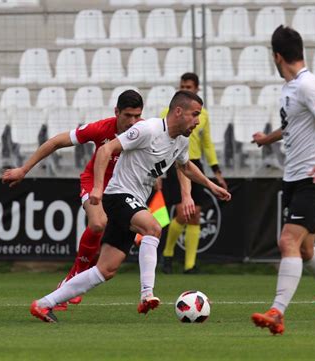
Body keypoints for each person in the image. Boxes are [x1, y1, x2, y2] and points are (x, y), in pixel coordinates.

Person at [29, 90, 232, 323]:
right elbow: (106, 150)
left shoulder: (181, 141)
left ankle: (44, 304)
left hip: (133, 200)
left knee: (106, 270)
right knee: (154, 228)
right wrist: (97, 188)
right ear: (178, 112)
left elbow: (185, 167)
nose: (198, 121)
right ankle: (147, 294)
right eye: (195, 114)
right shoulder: (148, 129)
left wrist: (209, 185)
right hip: (118, 195)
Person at [2, 90, 144, 310]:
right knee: (98, 224)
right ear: (116, 112)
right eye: (128, 115)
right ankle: (74, 276)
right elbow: (56, 142)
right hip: (94, 183)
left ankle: (77, 281)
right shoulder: (101, 128)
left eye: (137, 116)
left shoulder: (144, 130)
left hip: (124, 190)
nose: (133, 122)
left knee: (113, 257)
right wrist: (24, 169)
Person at [250, 25, 315, 335]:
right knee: (305, 250)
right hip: (292, 178)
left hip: (312, 177)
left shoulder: (309, 85)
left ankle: (277, 312)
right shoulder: (291, 88)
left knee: (287, 241)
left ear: (277, 56)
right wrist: (268, 139)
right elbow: (293, 125)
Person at [161, 72, 228, 274]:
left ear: (197, 89)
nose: (185, 89)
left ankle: (189, 265)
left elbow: (207, 144)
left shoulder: (202, 115)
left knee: (196, 215)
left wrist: (216, 171)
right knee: (183, 212)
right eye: (183, 86)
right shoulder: (169, 112)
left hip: (195, 164)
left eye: (189, 87)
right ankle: (168, 253)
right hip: (175, 164)